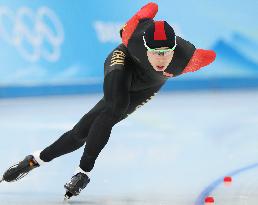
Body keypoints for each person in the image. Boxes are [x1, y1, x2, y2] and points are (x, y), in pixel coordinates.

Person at [0, 2, 216, 200]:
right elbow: (149, 9)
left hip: (147, 87)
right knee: (115, 107)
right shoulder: (131, 35)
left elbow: (211, 56)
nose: (161, 59)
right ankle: (83, 173)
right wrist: (148, 11)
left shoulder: (189, 58)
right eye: (155, 52)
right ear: (145, 45)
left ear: (174, 49)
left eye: (166, 53)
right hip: (123, 63)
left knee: (81, 132)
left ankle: (34, 160)